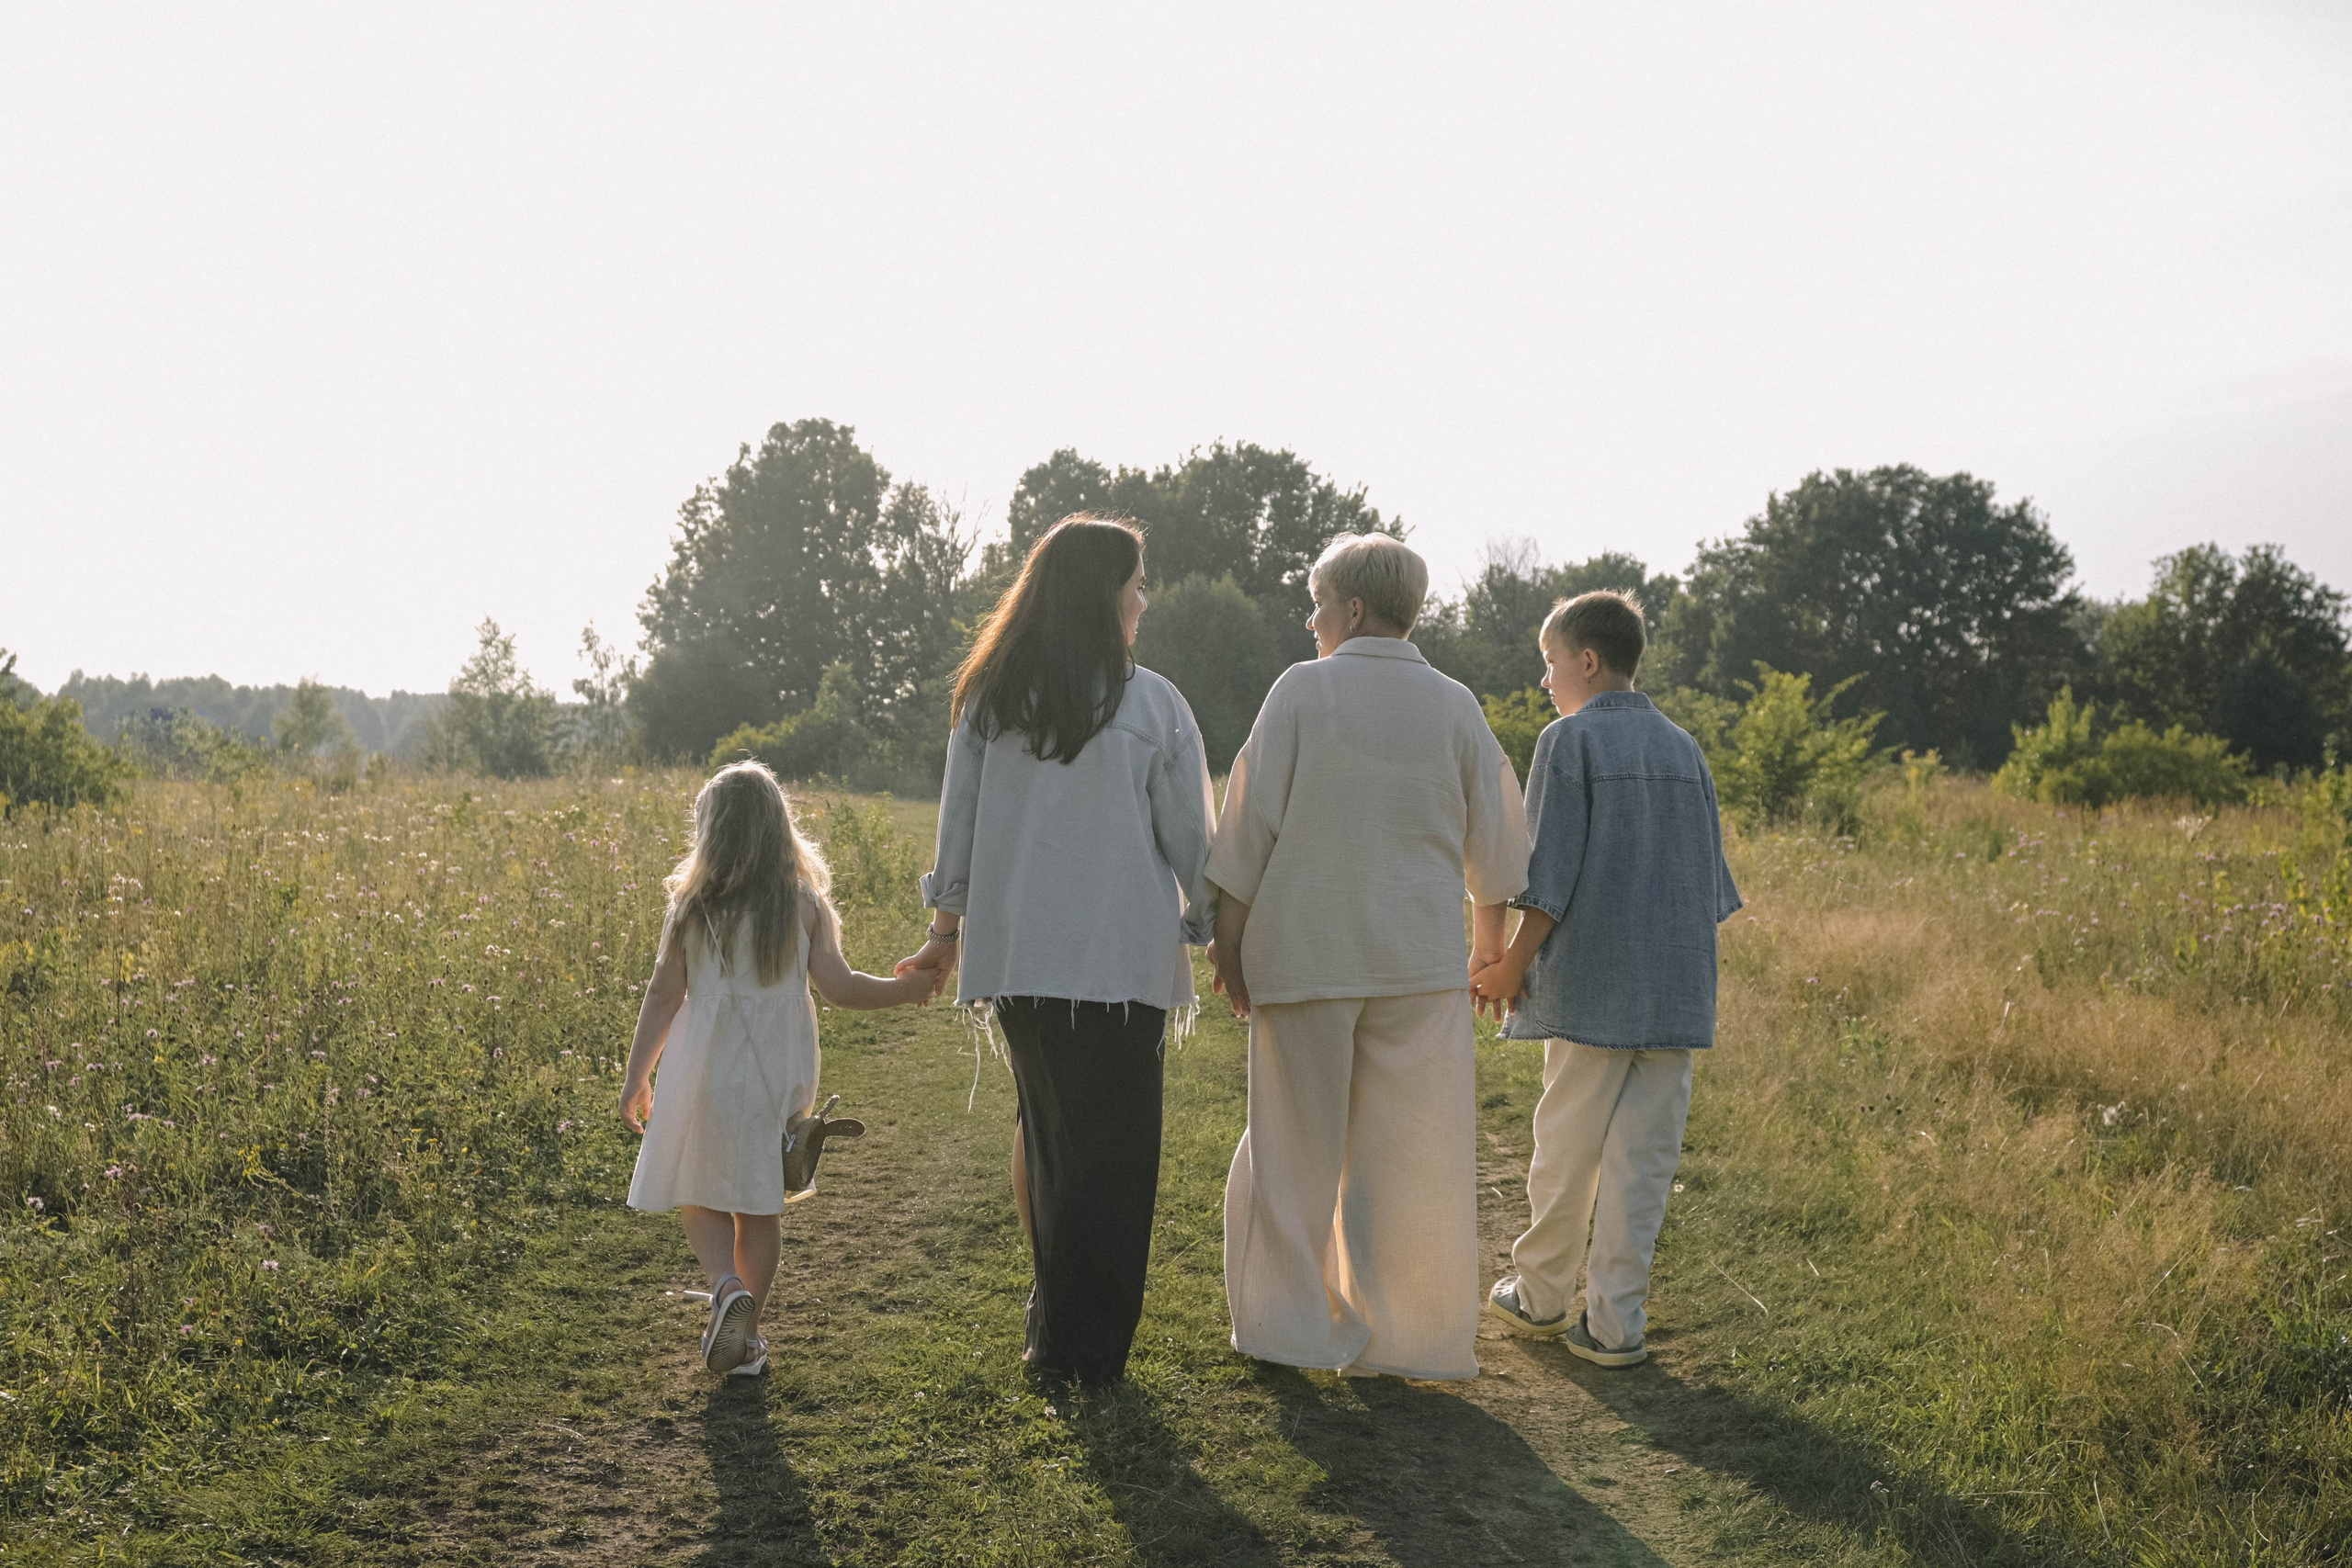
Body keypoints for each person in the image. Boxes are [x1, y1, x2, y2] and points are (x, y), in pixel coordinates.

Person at [897, 516, 1216, 1384]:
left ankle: (1058, 1326)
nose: (1144, 600)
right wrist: (1217, 930)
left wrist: (944, 937)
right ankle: (1084, 1348)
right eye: (1138, 582)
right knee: (1113, 1160)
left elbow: (955, 836)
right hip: (1120, 964)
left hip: (1024, 964)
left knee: (1055, 1143)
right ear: (1102, 592)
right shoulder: (1152, 703)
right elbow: (1194, 840)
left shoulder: (992, 699)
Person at [1207, 533, 1530, 1382]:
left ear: (1353, 608)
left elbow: (1248, 827)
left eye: (1317, 605)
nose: (1311, 622)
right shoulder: (1455, 702)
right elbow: (1494, 842)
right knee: (1415, 1159)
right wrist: (1487, 947)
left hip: (1305, 953)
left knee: (1292, 1149)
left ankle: (1286, 1327)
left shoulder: (1302, 692)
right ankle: (1412, 1340)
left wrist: (1229, 944)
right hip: (1417, 962)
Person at [1471, 591, 1742, 1368]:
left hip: (1594, 992)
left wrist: (1511, 963)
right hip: (1676, 993)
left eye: (1551, 662)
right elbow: (1710, 887)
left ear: (1587, 660)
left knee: (1567, 1149)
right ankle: (1617, 1325)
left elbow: (1549, 875)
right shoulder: (1685, 748)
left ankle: (1542, 1297)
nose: (1546, 680)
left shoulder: (1569, 741)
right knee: (1642, 1163)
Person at [620, 761, 941, 1377]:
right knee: (760, 1208)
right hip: (775, 1078)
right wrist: (906, 990)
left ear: (709, 832)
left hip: (703, 1073)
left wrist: (639, 1075)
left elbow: (663, 994)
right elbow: (842, 988)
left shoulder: (692, 908)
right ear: (779, 829)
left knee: (699, 1193)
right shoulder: (804, 906)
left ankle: (724, 1289)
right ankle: (748, 1335)